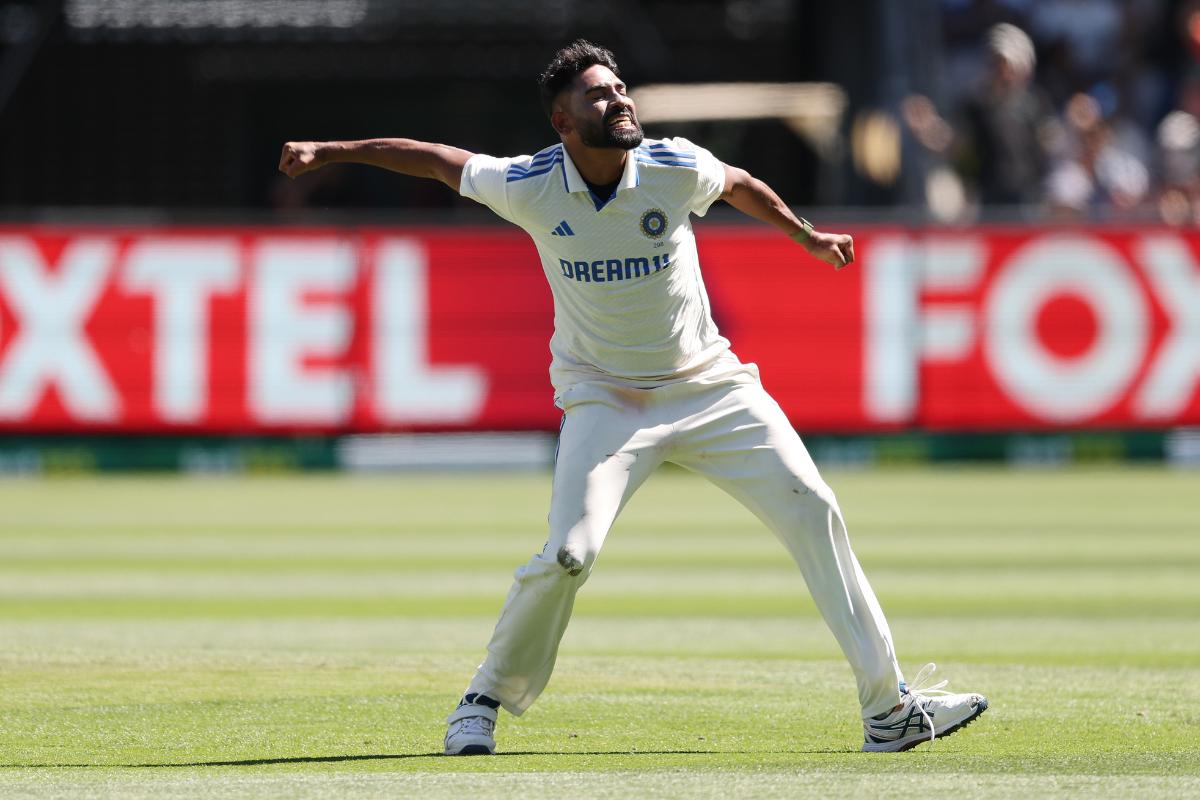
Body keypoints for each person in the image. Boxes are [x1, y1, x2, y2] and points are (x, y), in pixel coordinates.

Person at [278, 39, 988, 755]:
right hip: (605, 402)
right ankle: (483, 696)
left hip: (709, 387)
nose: (619, 100)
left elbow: (736, 182)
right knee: (568, 556)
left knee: (815, 508)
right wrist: (329, 150)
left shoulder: (672, 165)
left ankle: (888, 710)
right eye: (599, 95)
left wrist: (803, 237)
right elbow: (435, 158)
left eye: (621, 89)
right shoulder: (530, 184)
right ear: (563, 120)